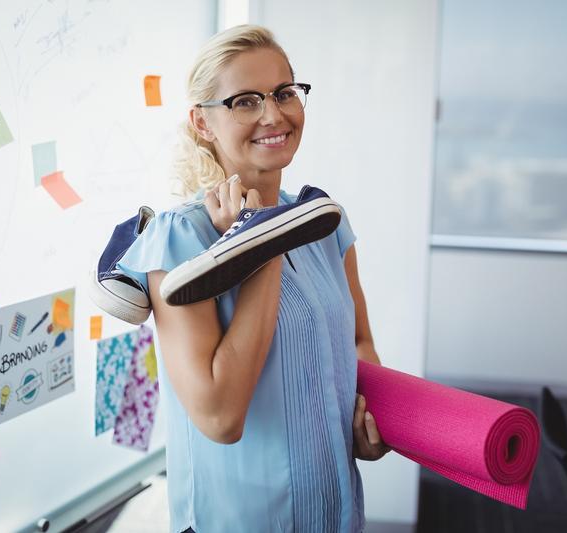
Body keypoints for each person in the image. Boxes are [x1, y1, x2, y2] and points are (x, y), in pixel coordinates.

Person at [118, 24, 389, 533]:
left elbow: (358, 342)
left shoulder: (323, 220)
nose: (274, 114)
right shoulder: (181, 239)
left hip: (334, 513)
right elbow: (220, 418)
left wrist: (372, 423)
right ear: (202, 122)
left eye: (285, 93)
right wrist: (258, 242)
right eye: (245, 101)